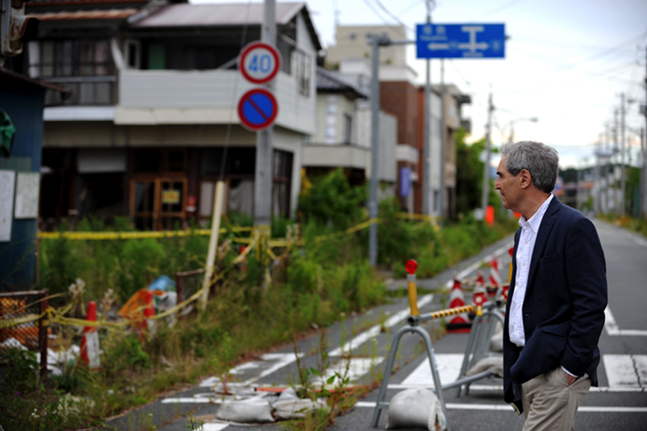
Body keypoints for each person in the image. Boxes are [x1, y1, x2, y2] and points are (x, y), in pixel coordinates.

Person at [495, 141, 607, 431]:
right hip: (529, 365)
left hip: (557, 371)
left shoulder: (573, 227)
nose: (497, 185)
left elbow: (591, 305)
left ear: (523, 178)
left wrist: (569, 370)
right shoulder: (524, 232)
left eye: (500, 176)